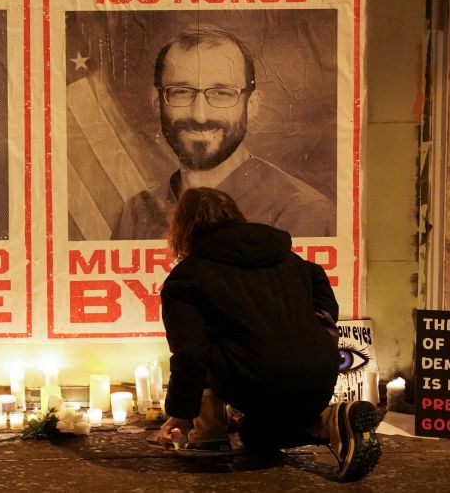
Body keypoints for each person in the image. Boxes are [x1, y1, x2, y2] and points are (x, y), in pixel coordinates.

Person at [155, 187, 380, 481]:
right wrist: (317, 341)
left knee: (203, 343)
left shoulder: (187, 276)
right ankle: (329, 420)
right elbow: (325, 306)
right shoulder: (293, 261)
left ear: (184, 228)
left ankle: (208, 434)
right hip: (318, 377)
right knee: (256, 438)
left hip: (253, 381)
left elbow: (190, 353)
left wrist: (182, 414)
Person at [112, 25, 334, 240]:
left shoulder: (302, 212)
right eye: (181, 92)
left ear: (251, 105)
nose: (200, 116)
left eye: (221, 93)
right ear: (157, 102)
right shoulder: (136, 215)